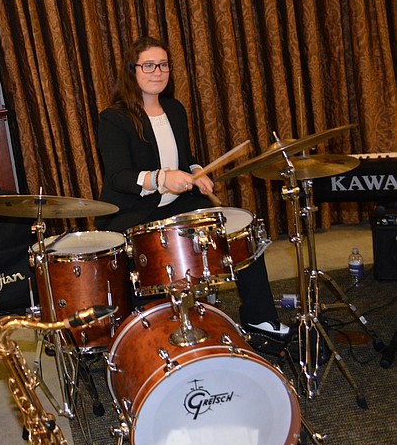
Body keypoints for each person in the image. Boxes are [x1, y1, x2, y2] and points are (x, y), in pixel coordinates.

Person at [95, 36, 289, 344]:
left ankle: (260, 318)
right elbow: (118, 177)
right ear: (132, 70)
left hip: (175, 205)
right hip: (133, 213)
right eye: (148, 65)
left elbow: (187, 158)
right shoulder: (114, 118)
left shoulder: (174, 109)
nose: (157, 71)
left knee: (240, 230)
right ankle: (152, 329)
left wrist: (197, 173)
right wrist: (162, 178)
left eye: (163, 65)